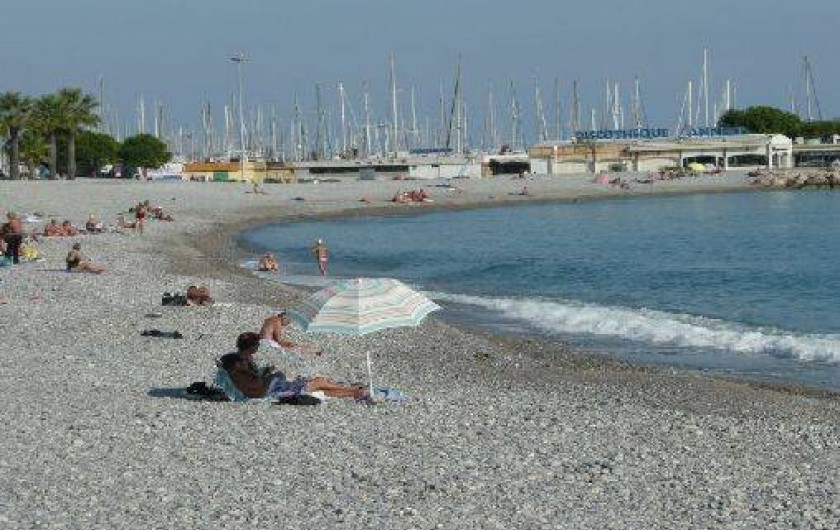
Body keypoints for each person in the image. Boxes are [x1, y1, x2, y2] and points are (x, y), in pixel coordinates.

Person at [219, 332, 367, 399]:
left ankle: (354, 392)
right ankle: (353, 389)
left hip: (267, 388)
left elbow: (252, 379)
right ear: (251, 347)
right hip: (268, 391)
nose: (258, 348)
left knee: (317, 389)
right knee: (317, 383)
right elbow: (257, 386)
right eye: (257, 345)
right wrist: (271, 375)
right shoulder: (241, 363)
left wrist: (266, 372)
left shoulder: (233, 359)